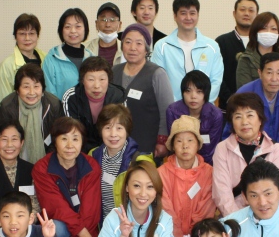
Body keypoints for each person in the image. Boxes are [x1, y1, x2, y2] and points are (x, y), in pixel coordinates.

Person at [32, 117, 101, 237]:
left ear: (82, 142)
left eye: (75, 139)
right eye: (64, 139)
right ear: (55, 141)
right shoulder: (42, 168)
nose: (70, 145)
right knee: (57, 227)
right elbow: (57, 208)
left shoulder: (91, 166)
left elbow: (90, 210)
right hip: (63, 230)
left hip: (86, 230)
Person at [212, 92, 279, 216]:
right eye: (238, 117)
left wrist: (262, 218)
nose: (244, 122)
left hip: (268, 216)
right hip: (232, 219)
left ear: (260, 119)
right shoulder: (222, 149)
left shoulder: (276, 150)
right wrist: (238, 222)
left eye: (250, 115)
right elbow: (221, 194)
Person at [113, 23, 173, 156]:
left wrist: (162, 141)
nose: (132, 48)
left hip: (147, 145)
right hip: (115, 144)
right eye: (128, 42)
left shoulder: (157, 74)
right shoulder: (113, 71)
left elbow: (167, 110)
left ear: (146, 49)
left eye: (139, 43)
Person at [151, 0, 224, 103]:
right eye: (183, 13)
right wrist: (178, 107)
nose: (188, 18)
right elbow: (158, 82)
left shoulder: (211, 47)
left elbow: (216, 81)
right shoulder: (162, 46)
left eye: (192, 13)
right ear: (175, 16)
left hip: (204, 108)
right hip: (172, 108)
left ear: (198, 15)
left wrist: (199, 103)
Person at [158, 116, 216, 237]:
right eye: (179, 141)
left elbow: (206, 211)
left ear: (198, 144)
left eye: (190, 140)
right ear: (173, 146)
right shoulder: (161, 173)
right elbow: (165, 210)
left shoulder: (209, 173)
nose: (185, 146)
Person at [235, 52, 279, 159]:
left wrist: (277, 160)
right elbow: (233, 130)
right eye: (269, 73)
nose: (274, 79)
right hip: (248, 154)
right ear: (260, 73)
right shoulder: (244, 94)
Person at [0, 119, 39, 234]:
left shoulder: (32, 170)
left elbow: (35, 206)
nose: (9, 145)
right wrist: (9, 226)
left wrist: (22, 225)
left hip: (26, 228)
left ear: (22, 143)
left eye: (14, 139)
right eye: (4, 140)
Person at [91, 105, 150, 219]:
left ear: (127, 131)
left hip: (130, 224)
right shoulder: (92, 156)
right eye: (107, 127)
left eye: (119, 128)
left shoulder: (139, 162)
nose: (113, 134)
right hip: (101, 225)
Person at [0, 63, 62, 164]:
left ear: (42, 89)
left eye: (36, 86)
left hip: (46, 162)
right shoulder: (7, 107)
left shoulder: (53, 105)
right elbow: (2, 139)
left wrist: (46, 164)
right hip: (14, 161)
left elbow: (58, 138)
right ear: (17, 90)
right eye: (26, 87)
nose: (32, 92)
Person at [61, 56, 125, 152]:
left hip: (110, 149)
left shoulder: (118, 96)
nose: (97, 86)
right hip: (80, 150)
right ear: (82, 80)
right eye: (91, 79)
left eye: (102, 79)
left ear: (109, 80)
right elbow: (71, 134)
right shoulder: (71, 98)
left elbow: (121, 131)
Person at [164, 70, 225, 164]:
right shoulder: (172, 111)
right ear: (182, 93)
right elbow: (174, 144)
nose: (193, 96)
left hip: (206, 162)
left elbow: (211, 149)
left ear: (206, 94)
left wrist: (200, 168)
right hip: (179, 160)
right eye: (188, 91)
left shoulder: (215, 115)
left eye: (199, 91)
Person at [234, 11, 279, 92]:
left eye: (273, 29)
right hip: (253, 100)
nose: (269, 32)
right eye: (264, 28)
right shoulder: (246, 59)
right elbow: (244, 92)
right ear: (255, 31)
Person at [216, 0, 260, 106]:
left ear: (257, 15)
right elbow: (216, 76)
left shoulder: (262, 43)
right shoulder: (221, 42)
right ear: (234, 14)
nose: (246, 13)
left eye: (251, 10)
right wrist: (231, 99)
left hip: (259, 106)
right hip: (228, 106)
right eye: (242, 9)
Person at [0, 13, 45, 103]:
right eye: (22, 34)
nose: (27, 38)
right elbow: (0, 102)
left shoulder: (47, 59)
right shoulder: (6, 66)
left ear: (38, 36)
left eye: (31, 33)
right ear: (15, 37)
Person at [43, 8, 93, 100]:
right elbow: (49, 96)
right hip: (60, 109)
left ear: (85, 29)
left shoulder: (92, 58)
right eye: (67, 27)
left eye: (78, 26)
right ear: (61, 30)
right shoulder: (51, 59)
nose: (73, 31)